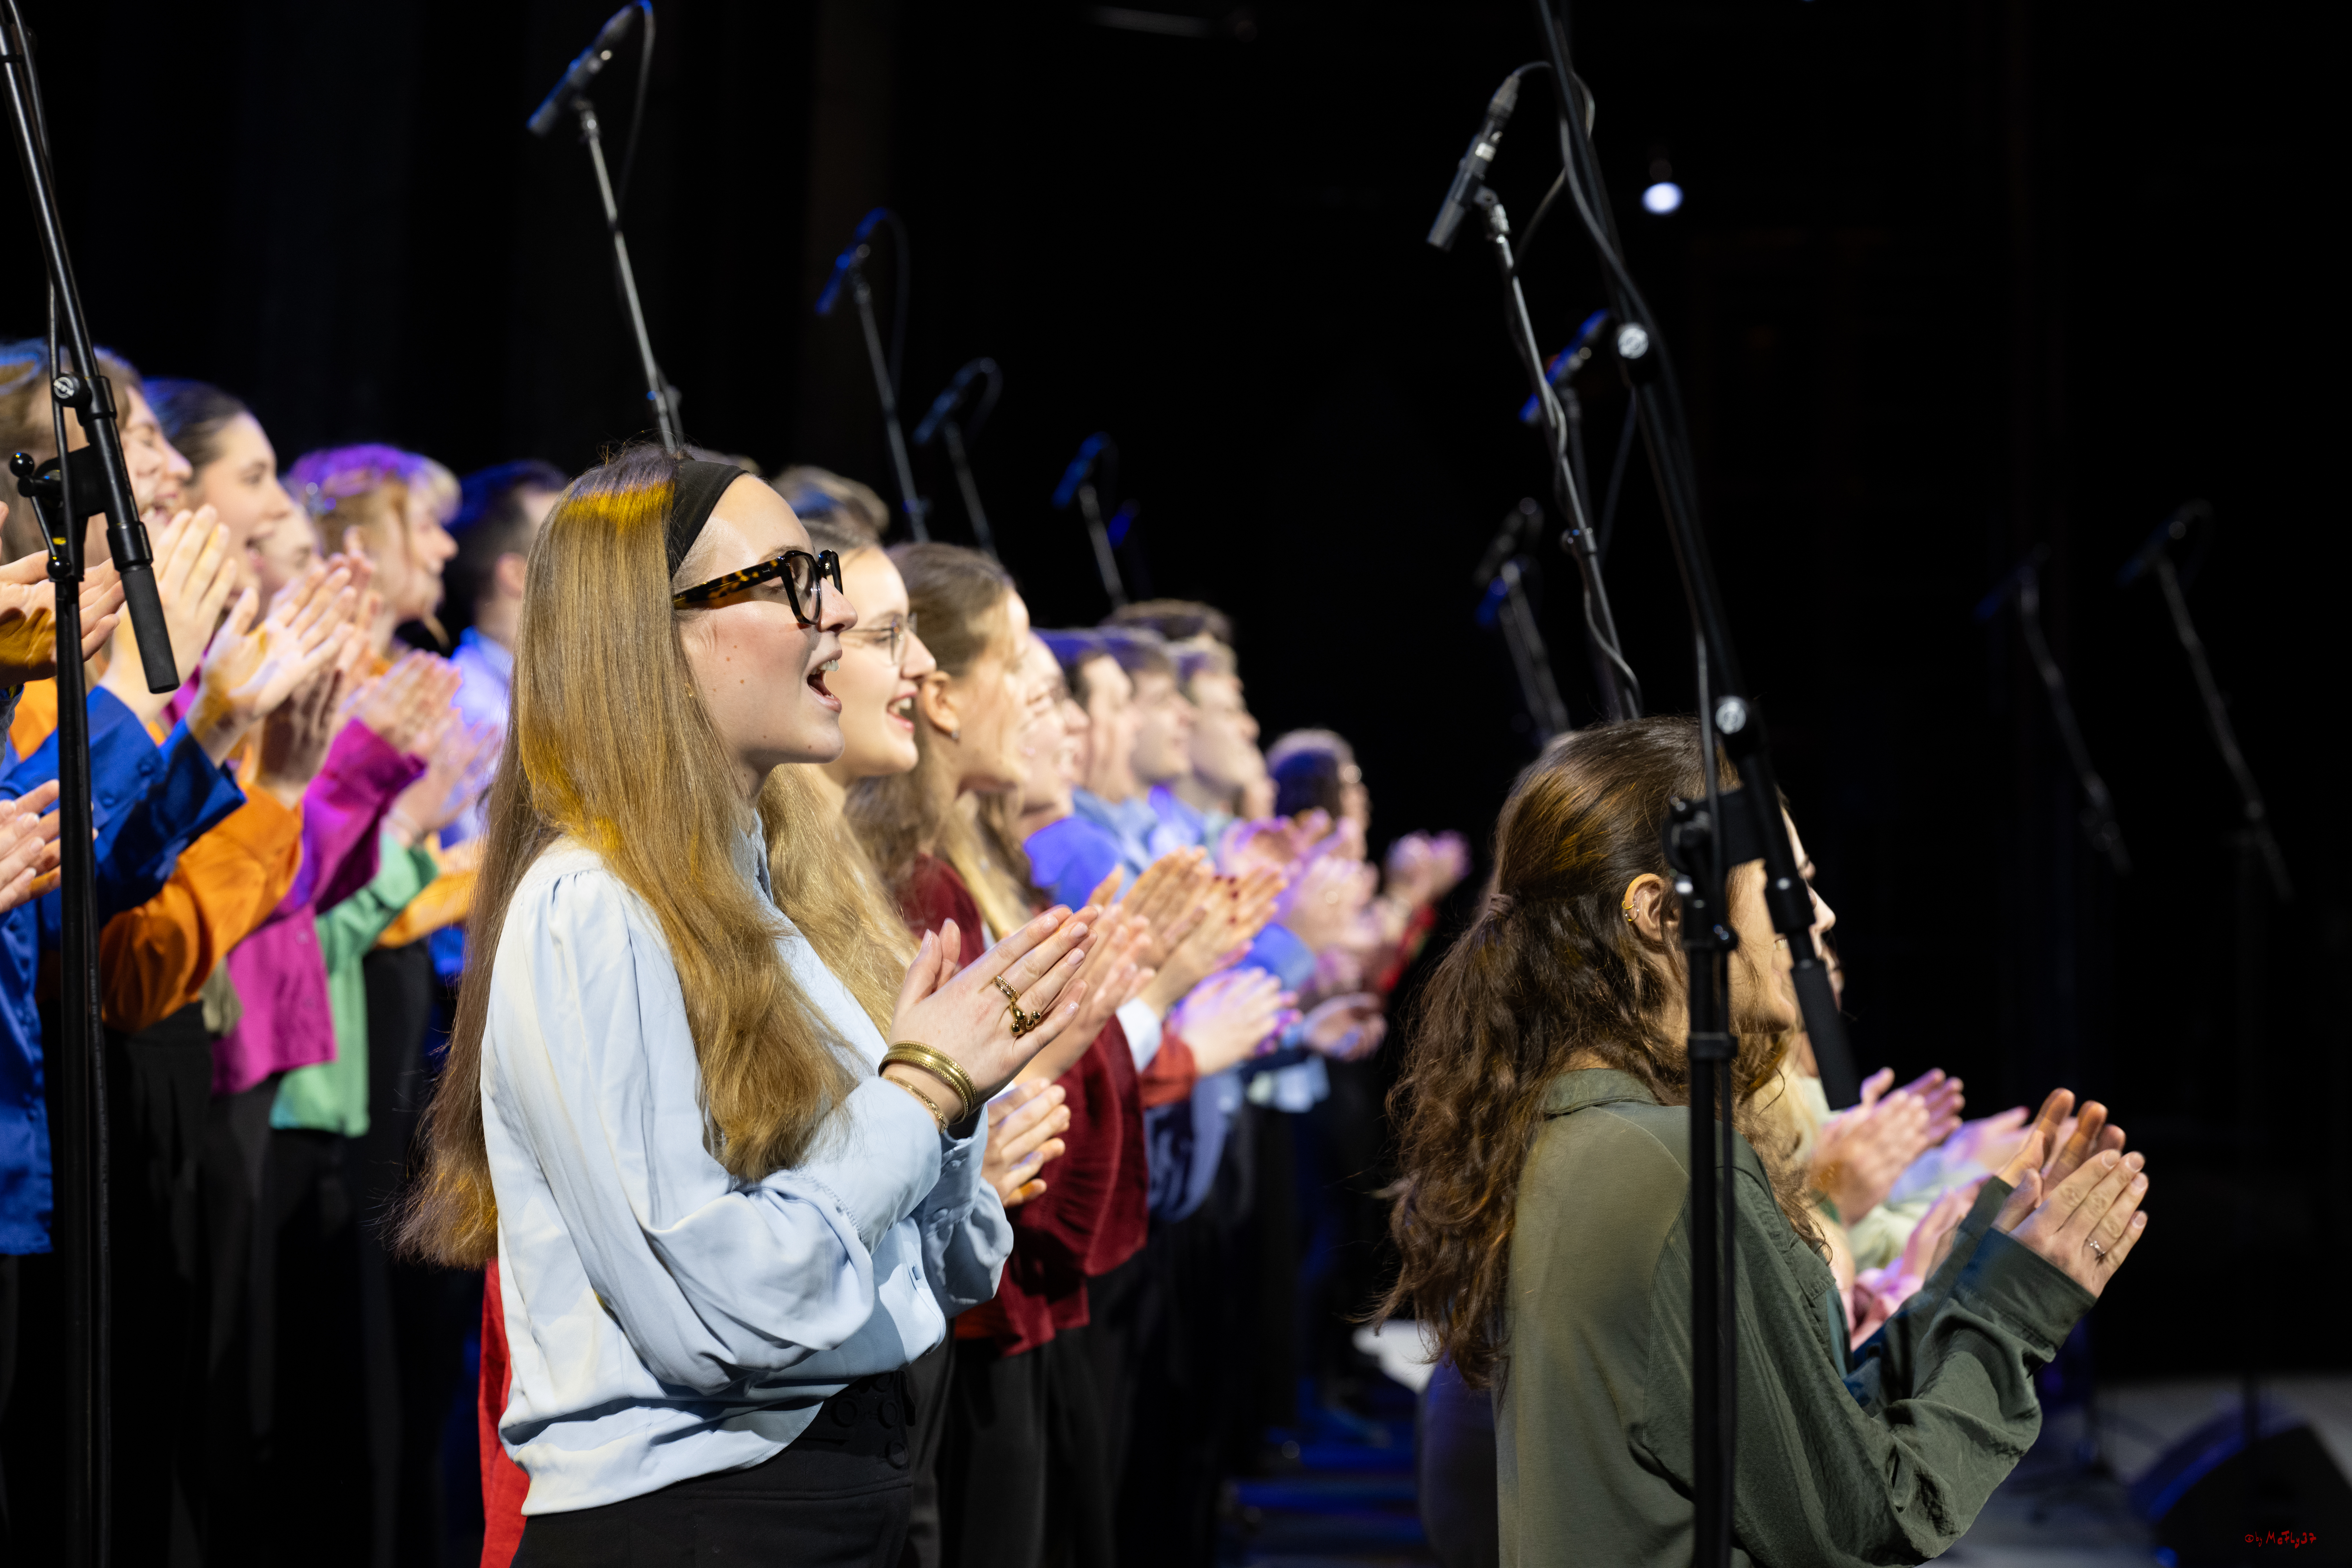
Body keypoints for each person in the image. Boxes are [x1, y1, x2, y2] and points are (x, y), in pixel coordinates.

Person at [398, 447, 1095, 1560]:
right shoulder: (592, 902)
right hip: (703, 1517)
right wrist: (920, 1090)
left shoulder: (748, 894)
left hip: (818, 1487)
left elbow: (945, 1267)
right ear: (656, 633)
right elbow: (725, 1307)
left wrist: (949, 1115)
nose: (832, 623)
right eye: (791, 583)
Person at [1381, 717, 2151, 1566]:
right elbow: (1860, 1526)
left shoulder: (1578, 1126)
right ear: (1659, 913)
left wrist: (1968, 1286)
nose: (1818, 914)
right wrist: (2014, 1311)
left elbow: (1795, 1443)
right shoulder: (1666, 1164)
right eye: (1785, 886)